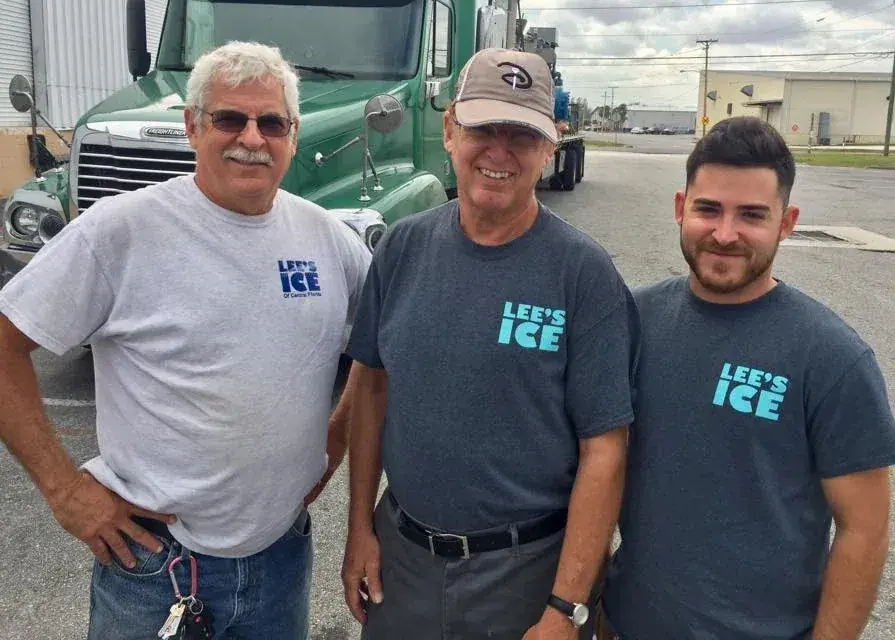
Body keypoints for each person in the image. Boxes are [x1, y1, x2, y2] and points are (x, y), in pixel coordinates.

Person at [0, 41, 371, 639]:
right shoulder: (119, 231)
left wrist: (336, 431)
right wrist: (64, 490)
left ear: (293, 136)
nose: (252, 137)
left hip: (281, 559)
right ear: (193, 126)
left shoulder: (328, 239)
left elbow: (379, 347)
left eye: (271, 122)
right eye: (230, 118)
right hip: (152, 567)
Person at [340, 47, 639, 640]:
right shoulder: (401, 250)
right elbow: (370, 387)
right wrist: (359, 529)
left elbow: (605, 449)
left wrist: (566, 607)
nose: (499, 152)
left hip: (525, 573)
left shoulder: (583, 275)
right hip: (403, 558)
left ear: (549, 150)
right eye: (483, 128)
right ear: (451, 130)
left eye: (521, 135)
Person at [602, 116, 895, 639]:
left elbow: (864, 530)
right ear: (679, 209)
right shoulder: (633, 322)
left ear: (787, 222)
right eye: (708, 208)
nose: (725, 233)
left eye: (752, 215)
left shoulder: (832, 358)